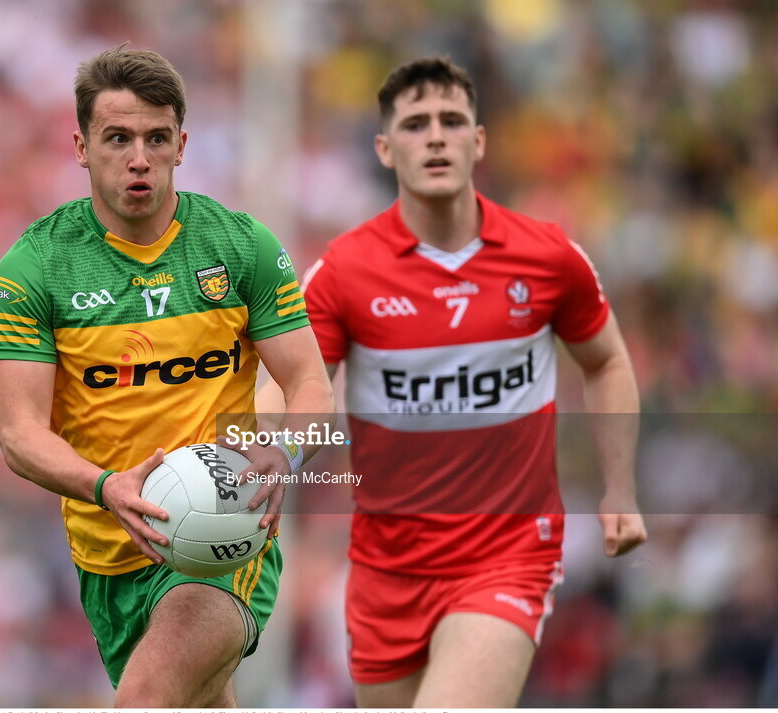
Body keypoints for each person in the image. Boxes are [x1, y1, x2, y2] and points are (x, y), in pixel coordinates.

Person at [264, 55, 648, 707]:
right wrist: (265, 457)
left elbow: (606, 360)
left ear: (479, 140)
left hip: (508, 553)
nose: (436, 136)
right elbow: (294, 380)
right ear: (385, 148)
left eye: (451, 120)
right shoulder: (344, 271)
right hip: (387, 567)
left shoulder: (549, 256)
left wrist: (621, 488)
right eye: (415, 124)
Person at [0, 46, 333, 708]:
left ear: (182, 144)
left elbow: (311, 384)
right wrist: (105, 485)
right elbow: (18, 432)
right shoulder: (34, 268)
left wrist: (284, 453)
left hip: (224, 535)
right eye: (118, 138)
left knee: (145, 699)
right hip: (106, 556)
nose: (138, 156)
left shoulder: (240, 247)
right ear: (83, 146)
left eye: (156, 138)